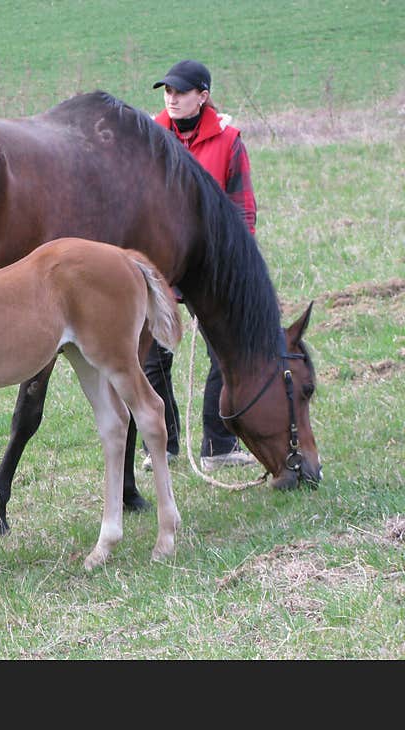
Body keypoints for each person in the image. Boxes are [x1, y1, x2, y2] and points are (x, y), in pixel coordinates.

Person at [144, 59, 258, 472]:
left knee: (223, 352)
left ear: (203, 96)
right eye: (167, 91)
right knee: (153, 358)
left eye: (180, 91)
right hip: (163, 265)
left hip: (212, 269)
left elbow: (243, 210)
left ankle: (219, 444)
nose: (171, 98)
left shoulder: (229, 141)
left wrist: (237, 268)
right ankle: (165, 442)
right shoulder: (150, 137)